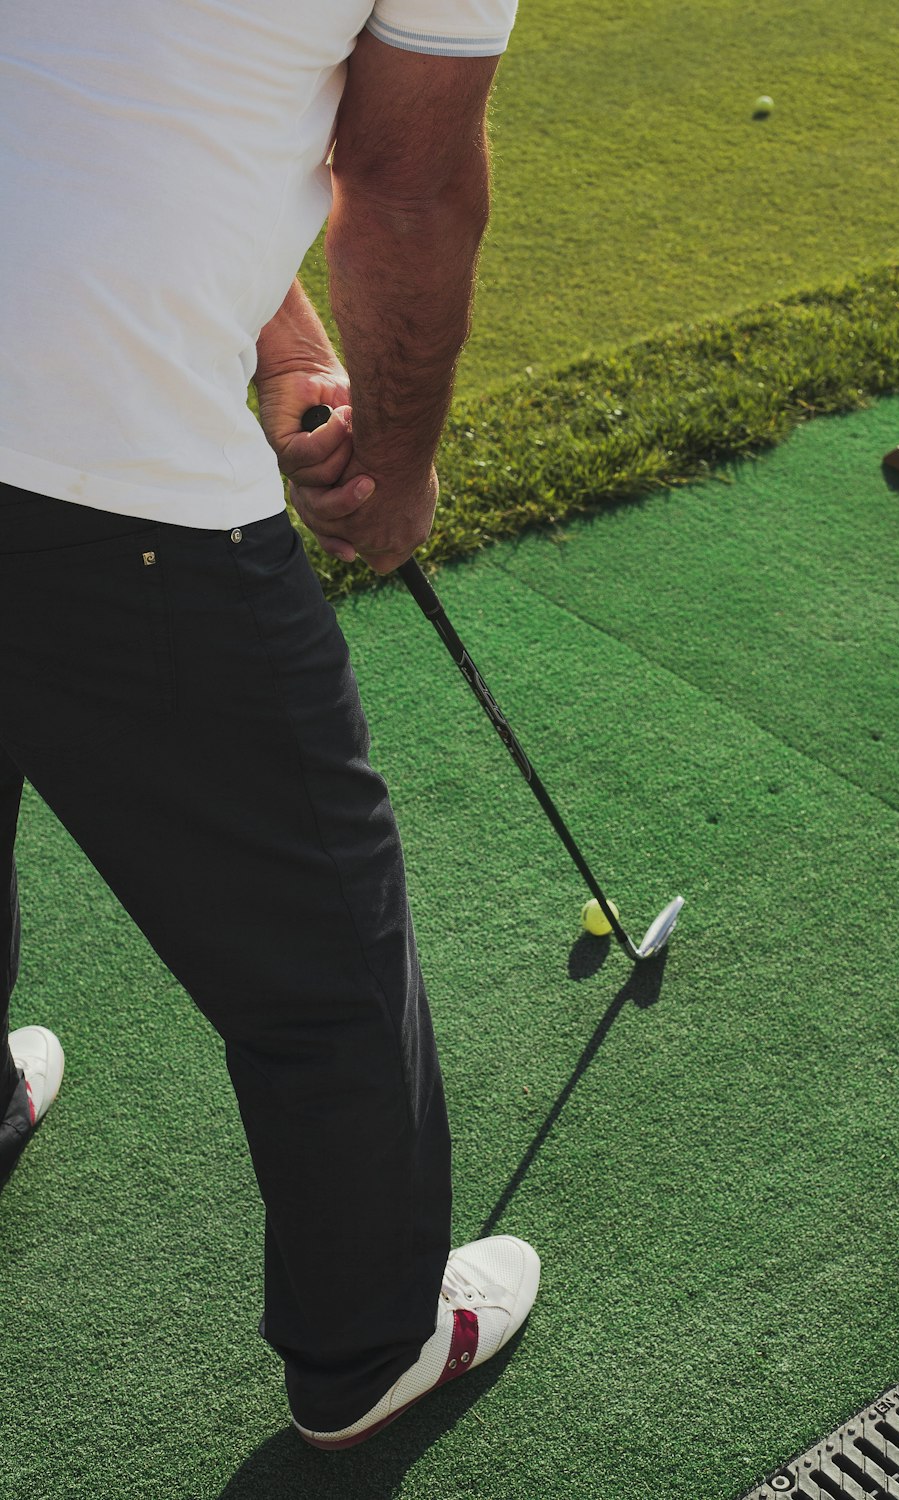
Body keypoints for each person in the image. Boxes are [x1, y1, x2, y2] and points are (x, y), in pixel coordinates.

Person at [0, 0, 539, 1451]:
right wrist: (405, 464)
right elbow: (407, 186)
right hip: (100, 480)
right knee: (321, 949)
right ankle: (370, 1342)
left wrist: (277, 329)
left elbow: (98, 97)